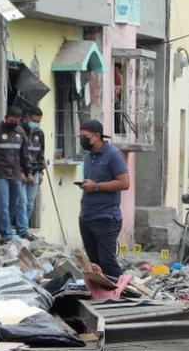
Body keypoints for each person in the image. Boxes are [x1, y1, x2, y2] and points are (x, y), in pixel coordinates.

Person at [78, 119, 130, 279]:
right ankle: (104, 297)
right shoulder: (88, 157)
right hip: (87, 216)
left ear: (97, 136)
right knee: (94, 263)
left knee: (107, 261)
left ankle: (124, 292)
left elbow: (124, 182)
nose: (82, 139)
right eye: (80, 136)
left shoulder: (113, 155)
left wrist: (96, 186)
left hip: (106, 218)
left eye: (84, 136)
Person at [0, 107, 35, 242]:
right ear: (6, 118)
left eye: (16, 121)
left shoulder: (20, 132)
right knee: (3, 204)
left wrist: (28, 172)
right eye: (12, 120)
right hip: (0, 173)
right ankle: (6, 234)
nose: (14, 123)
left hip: (16, 174)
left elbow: (25, 155)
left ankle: (16, 230)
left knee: (16, 203)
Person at [24, 107, 47, 224]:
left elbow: (41, 153)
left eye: (38, 121)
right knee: (20, 202)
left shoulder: (40, 133)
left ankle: (23, 229)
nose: (36, 124)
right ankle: (18, 226)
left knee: (30, 202)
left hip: (36, 171)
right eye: (34, 120)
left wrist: (41, 172)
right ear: (27, 117)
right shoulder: (20, 131)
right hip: (21, 172)